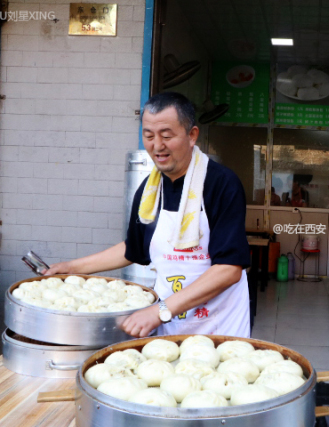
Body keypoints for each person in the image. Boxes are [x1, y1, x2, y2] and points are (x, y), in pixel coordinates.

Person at [45, 92, 251, 338]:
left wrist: (160, 310)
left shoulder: (221, 184)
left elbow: (229, 269)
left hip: (219, 326)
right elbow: (133, 248)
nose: (157, 146)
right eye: (149, 136)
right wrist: (72, 267)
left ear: (192, 135)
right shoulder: (149, 191)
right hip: (167, 325)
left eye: (166, 136)